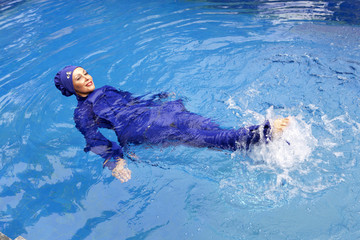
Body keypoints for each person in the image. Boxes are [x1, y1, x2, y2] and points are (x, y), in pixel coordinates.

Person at [54, 65, 290, 183]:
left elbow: (133, 100)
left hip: (157, 112)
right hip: (140, 129)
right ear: (70, 87)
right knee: (196, 136)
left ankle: (254, 143)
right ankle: (262, 132)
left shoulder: (106, 89)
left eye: (85, 73)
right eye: (78, 78)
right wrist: (115, 161)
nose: (86, 78)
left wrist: (159, 98)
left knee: (207, 126)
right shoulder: (82, 113)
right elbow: (94, 140)